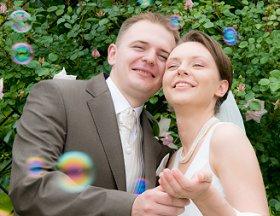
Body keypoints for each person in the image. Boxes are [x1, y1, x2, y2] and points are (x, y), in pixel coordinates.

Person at [9, 12, 189, 216]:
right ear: (113, 54)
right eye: (139, 47)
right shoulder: (57, 95)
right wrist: (130, 206)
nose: (149, 58)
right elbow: (30, 187)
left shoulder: (152, 134)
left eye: (163, 56)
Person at [159, 30, 269, 216]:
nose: (181, 70)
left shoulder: (225, 138)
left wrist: (205, 198)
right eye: (172, 65)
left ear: (221, 87)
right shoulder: (172, 160)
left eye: (198, 65)